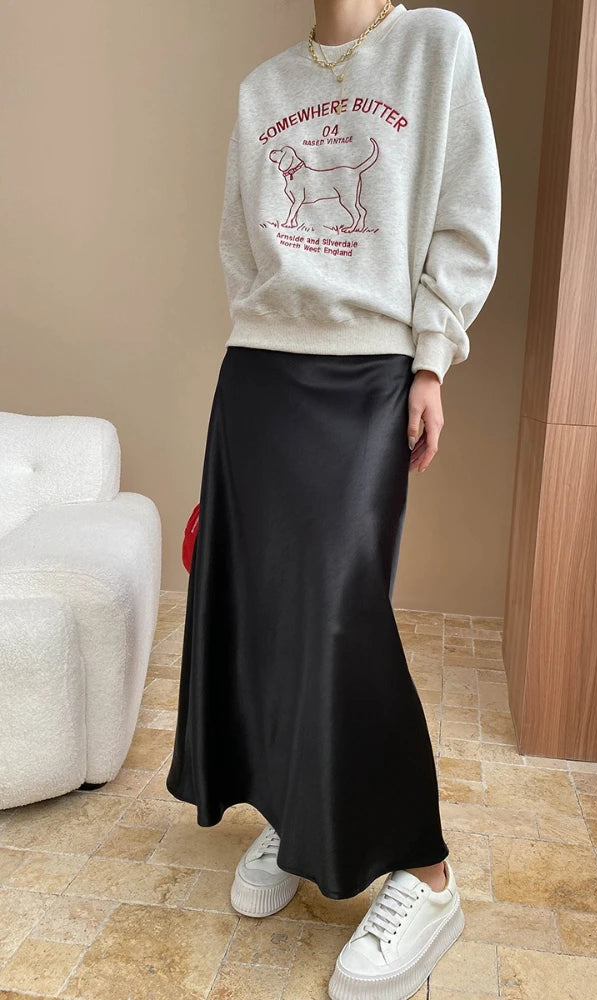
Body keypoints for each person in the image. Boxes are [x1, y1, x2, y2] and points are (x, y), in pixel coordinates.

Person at [165, 1, 501, 997]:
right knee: (267, 612)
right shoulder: (263, 86)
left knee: (340, 613)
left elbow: (465, 208)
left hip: (368, 371)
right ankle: (293, 815)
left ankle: (428, 877)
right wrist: (258, 344)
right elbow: (241, 244)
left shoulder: (433, 44)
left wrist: (430, 358)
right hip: (259, 376)